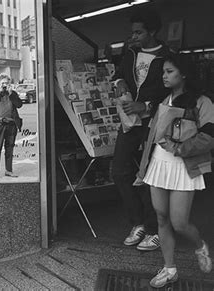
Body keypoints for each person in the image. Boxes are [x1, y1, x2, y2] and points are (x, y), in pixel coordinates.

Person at [135, 55, 214, 288]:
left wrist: (179, 147)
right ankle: (170, 269)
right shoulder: (162, 99)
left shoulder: (202, 102)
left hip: (185, 166)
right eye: (163, 72)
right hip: (158, 164)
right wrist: (143, 168)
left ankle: (200, 245)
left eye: (169, 71)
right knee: (161, 217)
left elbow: (209, 137)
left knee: (179, 222)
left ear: (184, 74)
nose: (164, 76)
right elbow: (151, 136)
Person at [111, 8, 172, 251]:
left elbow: (174, 92)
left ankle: (156, 229)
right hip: (129, 123)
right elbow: (118, 74)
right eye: (132, 32)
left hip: (154, 123)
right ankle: (138, 223)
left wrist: (145, 105)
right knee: (119, 171)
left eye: (138, 32)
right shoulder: (131, 53)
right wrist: (119, 82)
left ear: (153, 31)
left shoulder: (168, 57)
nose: (133, 37)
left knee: (152, 176)